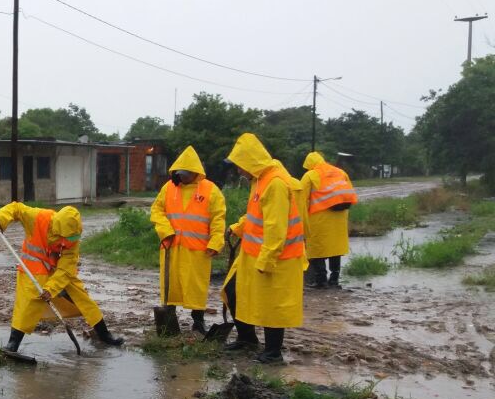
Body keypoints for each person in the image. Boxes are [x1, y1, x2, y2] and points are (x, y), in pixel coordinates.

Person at [0, 201, 124, 352]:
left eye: (73, 238)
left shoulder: (72, 237)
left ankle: (104, 335)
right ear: (59, 229)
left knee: (82, 297)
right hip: (34, 268)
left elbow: (66, 269)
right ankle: (13, 344)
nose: (70, 243)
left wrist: (51, 288)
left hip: (59, 270)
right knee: (28, 302)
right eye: (68, 238)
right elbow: (16, 208)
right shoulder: (38, 217)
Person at [221, 133, 306, 363]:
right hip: (253, 253)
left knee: (272, 304)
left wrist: (267, 260)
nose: (238, 170)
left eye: (240, 165)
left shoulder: (276, 183)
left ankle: (273, 352)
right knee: (234, 292)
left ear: (250, 161)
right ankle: (247, 339)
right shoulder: (260, 180)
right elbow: (257, 215)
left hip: (278, 258)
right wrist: (238, 228)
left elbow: (276, 228)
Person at [150, 146, 227, 334]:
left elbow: (218, 218)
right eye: (180, 173)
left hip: (197, 250)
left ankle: (198, 322)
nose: (182, 177)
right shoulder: (169, 188)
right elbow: (157, 211)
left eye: (185, 174)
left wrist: (216, 242)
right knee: (170, 286)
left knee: (196, 287)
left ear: (195, 172)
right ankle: (169, 320)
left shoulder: (210, 190)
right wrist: (165, 231)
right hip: (172, 248)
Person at [299, 151, 358, 288]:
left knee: (316, 249)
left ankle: (321, 281)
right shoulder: (340, 172)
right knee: (335, 249)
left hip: (319, 218)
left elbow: (300, 199)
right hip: (340, 217)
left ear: (309, 164)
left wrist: (300, 220)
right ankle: (334, 280)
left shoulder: (310, 175)